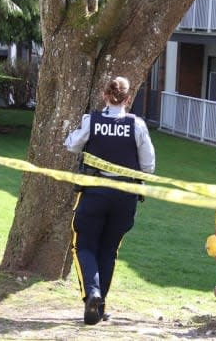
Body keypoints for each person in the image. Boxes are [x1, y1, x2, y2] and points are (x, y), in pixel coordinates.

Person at [64, 76, 155, 325]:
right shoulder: (137, 125)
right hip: (125, 197)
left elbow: (72, 145)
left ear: (105, 96)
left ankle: (91, 294)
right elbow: (148, 166)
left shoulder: (91, 121)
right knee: (109, 250)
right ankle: (98, 307)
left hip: (94, 192)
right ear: (128, 99)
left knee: (83, 246)